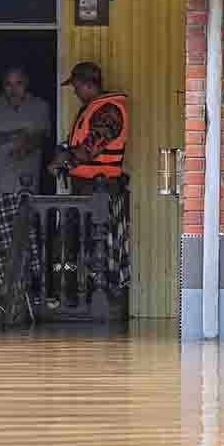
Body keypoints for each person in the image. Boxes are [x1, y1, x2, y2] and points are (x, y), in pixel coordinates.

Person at [48, 62, 130, 296]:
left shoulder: (110, 110)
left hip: (100, 191)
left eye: (76, 86)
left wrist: (62, 161)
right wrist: (63, 151)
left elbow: (90, 148)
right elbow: (75, 144)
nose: (74, 92)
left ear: (87, 84)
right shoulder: (92, 108)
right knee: (72, 243)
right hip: (84, 189)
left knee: (99, 247)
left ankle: (101, 298)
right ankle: (69, 293)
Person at [0, 65, 50, 294]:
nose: (13, 89)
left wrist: (27, 145)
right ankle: (3, 288)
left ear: (26, 84)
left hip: (24, 187)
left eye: (18, 83)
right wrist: (11, 136)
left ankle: (21, 288)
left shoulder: (39, 106)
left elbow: (42, 137)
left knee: (23, 240)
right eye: (8, 84)